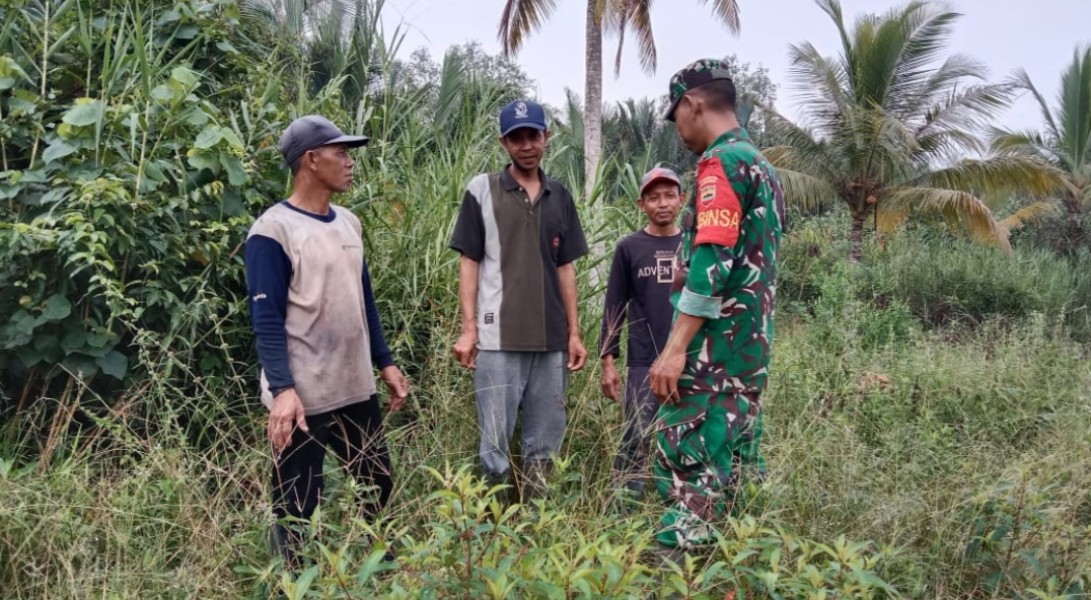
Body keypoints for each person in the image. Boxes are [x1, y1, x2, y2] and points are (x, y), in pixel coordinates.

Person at [244, 115, 411, 567]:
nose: (350, 162)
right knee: (298, 500)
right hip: (303, 396)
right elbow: (266, 318)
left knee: (377, 480)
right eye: (341, 153)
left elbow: (363, 299)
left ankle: (381, 572)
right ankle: (293, 582)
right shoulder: (273, 231)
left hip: (354, 385)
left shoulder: (349, 223)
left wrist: (385, 362)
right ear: (311, 160)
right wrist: (283, 390)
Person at [648, 60, 785, 551]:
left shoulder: (721, 164)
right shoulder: (763, 167)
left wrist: (675, 349)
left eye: (676, 117)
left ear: (692, 104)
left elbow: (711, 264)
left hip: (710, 359)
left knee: (692, 470)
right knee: (739, 475)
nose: (679, 128)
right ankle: (736, 571)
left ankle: (682, 570)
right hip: (747, 356)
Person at [449, 99, 589, 501]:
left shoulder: (560, 195)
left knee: (545, 444)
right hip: (497, 339)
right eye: (517, 138)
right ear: (504, 143)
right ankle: (494, 525)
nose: (526, 145)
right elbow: (469, 262)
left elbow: (565, 268)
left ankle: (535, 523)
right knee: (494, 444)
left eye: (534, 136)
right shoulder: (482, 190)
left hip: (551, 341)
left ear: (547, 137)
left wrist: (574, 333)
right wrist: (469, 329)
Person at [598, 167, 684, 502]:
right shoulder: (629, 247)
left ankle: (678, 507)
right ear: (641, 204)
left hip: (688, 361)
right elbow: (614, 306)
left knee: (685, 440)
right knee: (635, 439)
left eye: (669, 196)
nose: (662, 203)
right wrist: (608, 362)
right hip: (642, 363)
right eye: (654, 197)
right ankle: (624, 508)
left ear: (681, 199)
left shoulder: (694, 245)